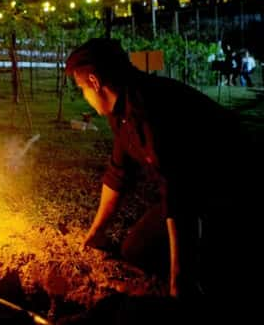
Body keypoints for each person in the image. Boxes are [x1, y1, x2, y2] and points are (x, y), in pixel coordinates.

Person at [65, 38, 253, 312]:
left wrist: (180, 281)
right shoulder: (121, 110)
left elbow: (181, 195)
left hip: (232, 183)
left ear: (94, 81)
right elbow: (118, 173)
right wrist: (97, 232)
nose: (84, 96)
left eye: (81, 88)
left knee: (201, 266)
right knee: (135, 250)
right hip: (194, 189)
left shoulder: (150, 110)